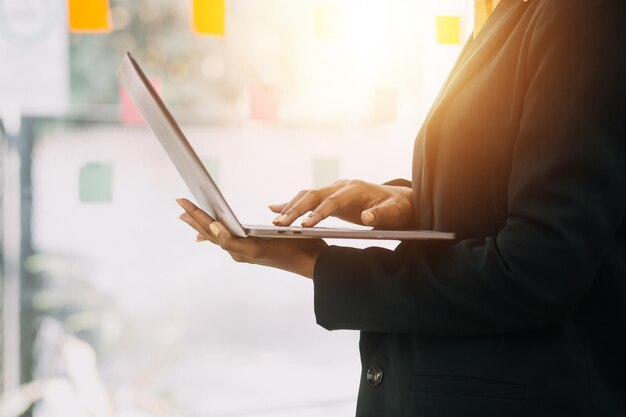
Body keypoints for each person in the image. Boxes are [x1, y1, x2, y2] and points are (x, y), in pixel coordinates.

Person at [177, 0, 626, 415]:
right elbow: (523, 184)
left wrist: (315, 263)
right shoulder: (501, 11)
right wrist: (412, 201)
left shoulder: (578, 15)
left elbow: (539, 268)